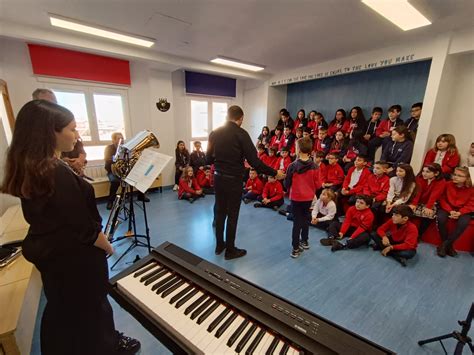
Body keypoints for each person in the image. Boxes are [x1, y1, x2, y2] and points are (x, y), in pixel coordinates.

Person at [0, 100, 140, 355]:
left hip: (53, 255)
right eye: (72, 129)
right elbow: (83, 227)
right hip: (75, 258)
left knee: (64, 310)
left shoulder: (33, 165)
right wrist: (107, 245)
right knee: (92, 310)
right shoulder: (55, 171)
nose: (77, 135)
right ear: (50, 131)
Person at [206, 105, 284, 260]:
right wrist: (275, 172)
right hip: (233, 180)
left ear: (227, 116)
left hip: (218, 178)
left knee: (220, 213)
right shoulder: (241, 134)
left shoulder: (214, 133)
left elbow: (208, 159)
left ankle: (219, 245)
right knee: (233, 215)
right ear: (240, 118)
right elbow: (255, 161)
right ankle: (230, 251)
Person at [285, 137, 321, 258]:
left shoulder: (292, 166)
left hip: (295, 198)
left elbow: (287, 183)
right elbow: (318, 184)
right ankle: (305, 241)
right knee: (305, 218)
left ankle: (295, 248)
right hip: (308, 198)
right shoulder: (315, 166)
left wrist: (288, 188)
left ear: (298, 149)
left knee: (297, 222)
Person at [436, 167, 474, 257]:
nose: (455, 177)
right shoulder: (447, 184)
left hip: (464, 210)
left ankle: (445, 245)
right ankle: (448, 246)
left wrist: (460, 212)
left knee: (463, 223)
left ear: (467, 178)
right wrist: (450, 210)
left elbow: (471, 204)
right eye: (455, 174)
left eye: (460, 176)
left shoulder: (472, 189)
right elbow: (442, 199)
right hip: (447, 207)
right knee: (441, 218)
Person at [409, 163, 446, 238]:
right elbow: (418, 193)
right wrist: (414, 204)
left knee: (428, 214)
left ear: (436, 173)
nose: (424, 174)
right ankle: (408, 233)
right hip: (419, 201)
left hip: (432, 202)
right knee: (409, 210)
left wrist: (429, 207)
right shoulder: (420, 178)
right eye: (423, 171)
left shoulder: (441, 182)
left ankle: (419, 235)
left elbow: (434, 195)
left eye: (427, 172)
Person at [104, 132, 124, 210]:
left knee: (136, 177)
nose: (121, 140)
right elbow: (107, 159)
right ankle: (110, 201)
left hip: (123, 170)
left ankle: (141, 196)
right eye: (119, 138)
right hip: (112, 171)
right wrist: (116, 159)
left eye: (122, 138)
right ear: (113, 140)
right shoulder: (109, 148)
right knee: (115, 181)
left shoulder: (125, 148)